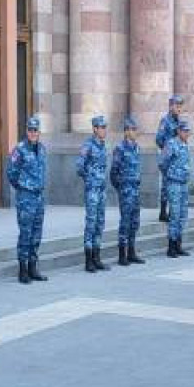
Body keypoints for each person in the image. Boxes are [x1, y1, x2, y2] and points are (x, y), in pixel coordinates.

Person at [7, 115, 49, 282]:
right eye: (30, 130)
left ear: (39, 132)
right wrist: (22, 187)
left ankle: (33, 267)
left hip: (39, 197)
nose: (33, 133)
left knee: (37, 233)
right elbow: (11, 172)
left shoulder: (42, 149)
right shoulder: (20, 149)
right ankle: (22, 269)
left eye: (35, 130)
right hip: (26, 197)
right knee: (25, 233)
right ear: (26, 131)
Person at [109, 116, 144, 267]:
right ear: (126, 131)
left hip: (135, 190)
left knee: (135, 221)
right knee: (125, 222)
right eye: (133, 129)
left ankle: (132, 252)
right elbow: (113, 172)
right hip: (126, 190)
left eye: (135, 129)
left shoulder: (136, 147)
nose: (135, 132)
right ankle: (122, 254)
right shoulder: (120, 149)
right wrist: (121, 188)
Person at [77, 115, 110, 272]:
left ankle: (97, 257)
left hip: (101, 190)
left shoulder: (103, 145)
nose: (104, 130)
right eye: (101, 127)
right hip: (92, 191)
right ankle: (88, 260)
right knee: (91, 223)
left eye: (105, 127)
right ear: (94, 129)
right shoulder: (88, 145)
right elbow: (79, 167)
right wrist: (90, 179)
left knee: (100, 223)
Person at [161, 120, 192, 256]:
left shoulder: (186, 145)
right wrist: (170, 175)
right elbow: (163, 162)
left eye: (188, 131)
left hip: (183, 184)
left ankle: (178, 244)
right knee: (174, 214)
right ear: (179, 131)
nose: (187, 133)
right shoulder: (171, 144)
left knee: (182, 215)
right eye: (184, 131)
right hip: (174, 184)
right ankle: (171, 246)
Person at [155, 95, 183, 221]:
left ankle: (173, 211)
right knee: (166, 185)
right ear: (171, 106)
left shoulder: (179, 122)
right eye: (177, 106)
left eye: (180, 106)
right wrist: (168, 149)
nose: (179, 109)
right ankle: (163, 211)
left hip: (177, 160)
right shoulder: (165, 121)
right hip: (168, 160)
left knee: (174, 185)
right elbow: (158, 139)